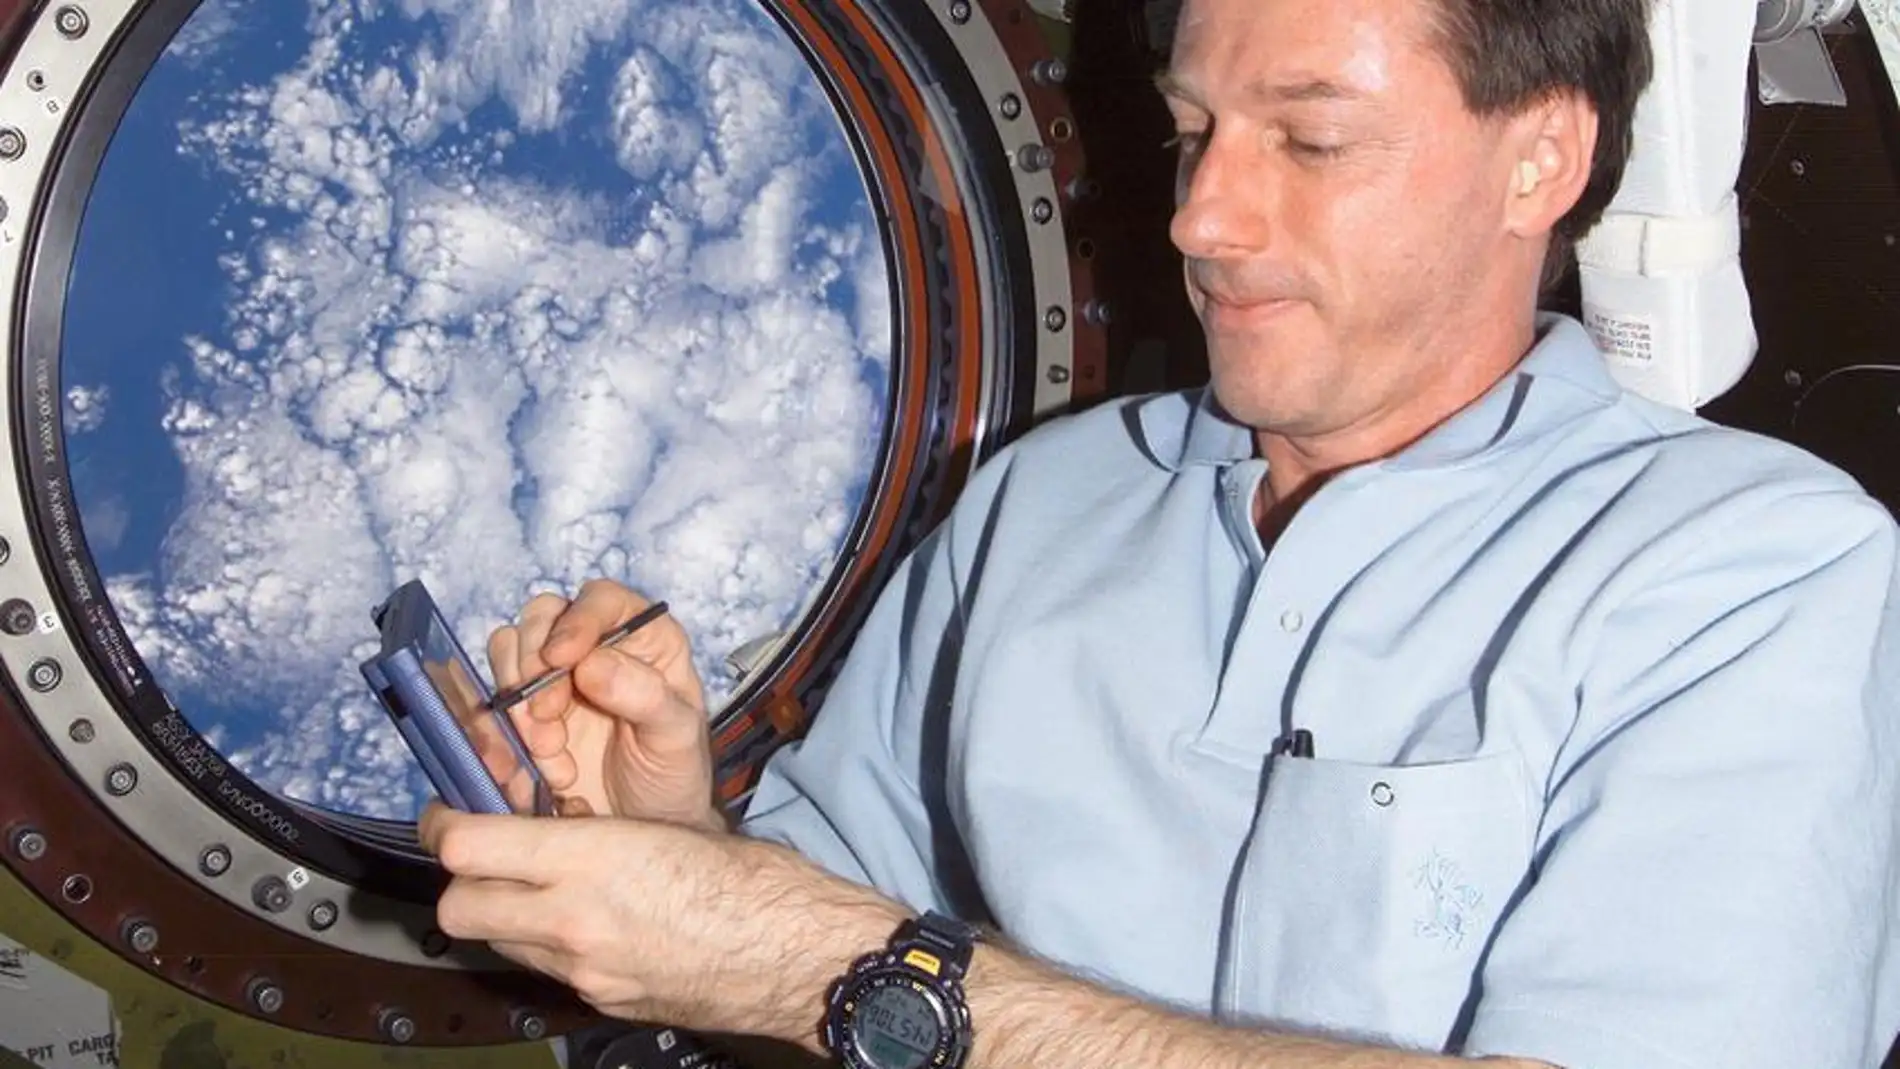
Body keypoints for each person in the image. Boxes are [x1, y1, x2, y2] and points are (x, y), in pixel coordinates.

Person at [416, 0, 1900, 1065]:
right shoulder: (1040, 506)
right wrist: (673, 846)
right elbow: (800, 934)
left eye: (1310, 142)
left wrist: (836, 971)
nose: (1204, 216)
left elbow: (819, 961)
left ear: (1542, 164)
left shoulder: (1750, 574)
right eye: (1194, 131)